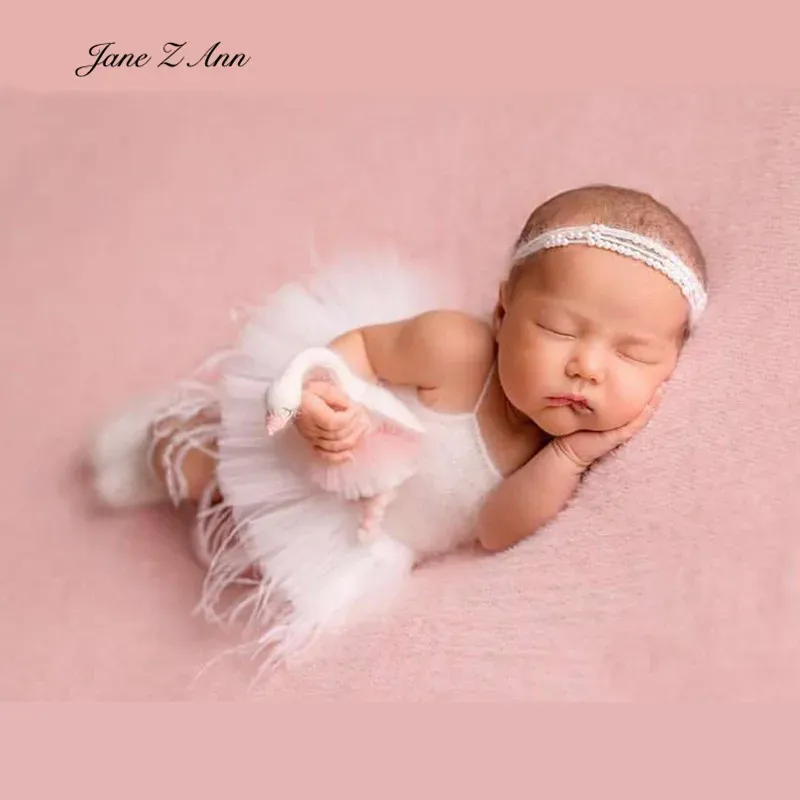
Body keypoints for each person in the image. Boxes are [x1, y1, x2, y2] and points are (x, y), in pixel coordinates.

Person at [90, 184, 709, 665]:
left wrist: (569, 458)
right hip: (328, 448)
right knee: (216, 465)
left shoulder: (544, 456)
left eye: (633, 353)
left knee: (263, 560)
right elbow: (359, 346)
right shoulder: (456, 350)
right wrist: (330, 394)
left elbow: (494, 530)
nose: (586, 367)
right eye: (559, 329)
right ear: (503, 312)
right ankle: (163, 440)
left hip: (375, 534)